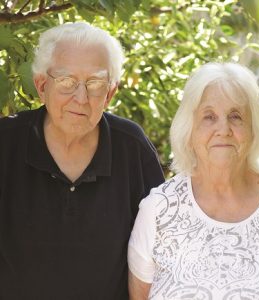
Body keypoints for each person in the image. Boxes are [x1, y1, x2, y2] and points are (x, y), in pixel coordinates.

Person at [0, 22, 164, 300]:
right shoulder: (6, 143)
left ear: (110, 93)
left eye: (95, 83)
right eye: (66, 81)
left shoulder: (131, 147)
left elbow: (161, 249)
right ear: (42, 86)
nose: (81, 97)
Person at [128, 62, 259, 299]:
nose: (223, 129)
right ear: (189, 130)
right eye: (209, 117)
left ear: (254, 129)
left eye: (236, 116)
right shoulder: (157, 210)